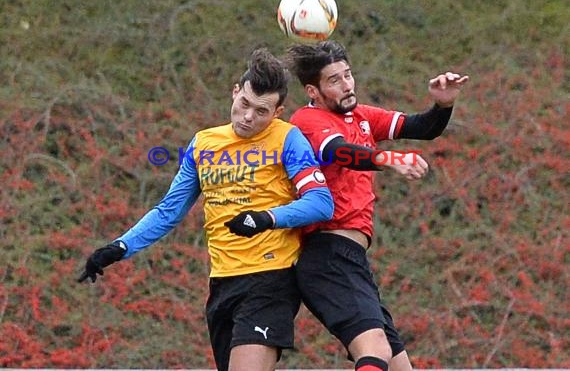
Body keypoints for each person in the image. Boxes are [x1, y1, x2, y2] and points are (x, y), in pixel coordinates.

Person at [78, 48, 334, 371]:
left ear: (278, 112)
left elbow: (321, 202)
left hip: (271, 279)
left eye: (261, 111)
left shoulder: (288, 139)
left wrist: (266, 218)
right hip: (222, 283)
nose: (248, 117)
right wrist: (119, 247)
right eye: (244, 104)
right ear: (235, 91)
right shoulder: (203, 144)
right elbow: (168, 210)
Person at [285, 40, 469, 371]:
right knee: (376, 351)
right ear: (313, 90)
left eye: (348, 74)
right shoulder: (307, 119)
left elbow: (420, 127)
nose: (347, 85)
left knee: (399, 367)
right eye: (334, 80)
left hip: (352, 259)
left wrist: (443, 106)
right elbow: (340, 152)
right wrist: (388, 159)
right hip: (328, 255)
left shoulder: (362, 116)